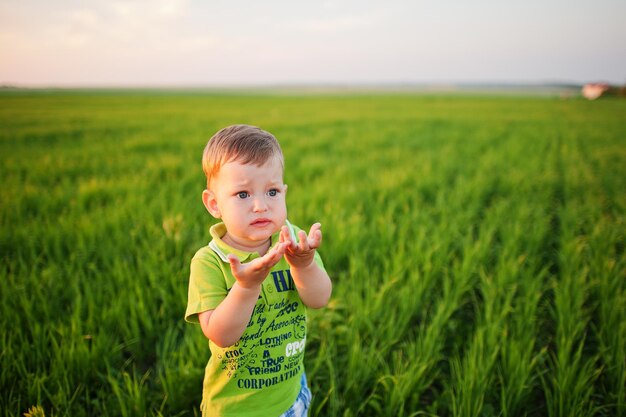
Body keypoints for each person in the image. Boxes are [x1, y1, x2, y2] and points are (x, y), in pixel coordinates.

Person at [185, 124, 332, 417]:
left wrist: (303, 265)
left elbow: (319, 299)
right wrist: (247, 287)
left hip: (290, 392)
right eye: (242, 194)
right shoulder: (211, 261)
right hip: (238, 406)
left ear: (284, 192)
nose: (260, 206)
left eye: (272, 191)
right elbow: (220, 334)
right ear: (214, 204)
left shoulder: (291, 240)